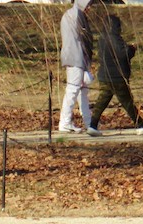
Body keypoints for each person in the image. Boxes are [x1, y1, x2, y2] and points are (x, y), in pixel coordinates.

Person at [91, 14, 143, 134]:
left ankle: (92, 125)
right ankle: (141, 126)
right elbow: (123, 54)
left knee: (102, 102)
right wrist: (131, 49)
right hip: (117, 76)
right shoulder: (114, 38)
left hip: (105, 76)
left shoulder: (102, 38)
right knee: (128, 102)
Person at [58, 0, 98, 135]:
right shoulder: (77, 16)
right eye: (89, 6)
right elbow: (84, 39)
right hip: (76, 57)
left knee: (81, 91)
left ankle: (89, 123)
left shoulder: (70, 14)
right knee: (74, 89)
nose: (90, 9)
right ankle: (65, 122)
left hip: (75, 56)